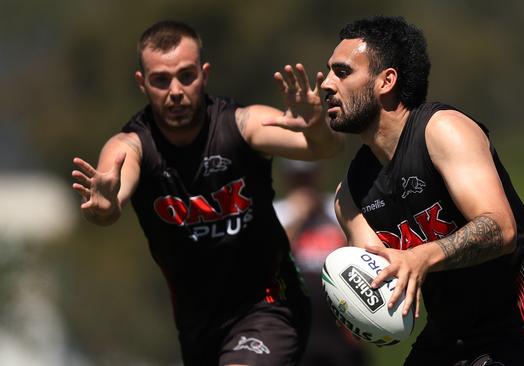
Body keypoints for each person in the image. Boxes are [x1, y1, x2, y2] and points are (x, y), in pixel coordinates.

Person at [71, 20, 343, 366]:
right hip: (198, 327)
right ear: (142, 84)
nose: (175, 91)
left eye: (186, 75)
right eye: (160, 80)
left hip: (270, 305)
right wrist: (104, 205)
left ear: (204, 74)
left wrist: (316, 123)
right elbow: (110, 199)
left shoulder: (242, 125)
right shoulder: (132, 146)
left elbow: (323, 149)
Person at [323, 16, 524, 365]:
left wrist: (420, 256)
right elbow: (377, 283)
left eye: (342, 71)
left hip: (523, 329)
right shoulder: (349, 195)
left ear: (386, 81)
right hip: (447, 339)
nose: (326, 83)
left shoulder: (442, 130)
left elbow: (501, 228)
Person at [273, 160, 369, 366]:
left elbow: (360, 255)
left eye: (309, 176)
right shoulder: (277, 212)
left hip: (339, 328)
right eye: (298, 178)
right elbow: (269, 259)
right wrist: (298, 217)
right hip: (294, 326)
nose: (304, 184)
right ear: (287, 178)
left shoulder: (336, 208)